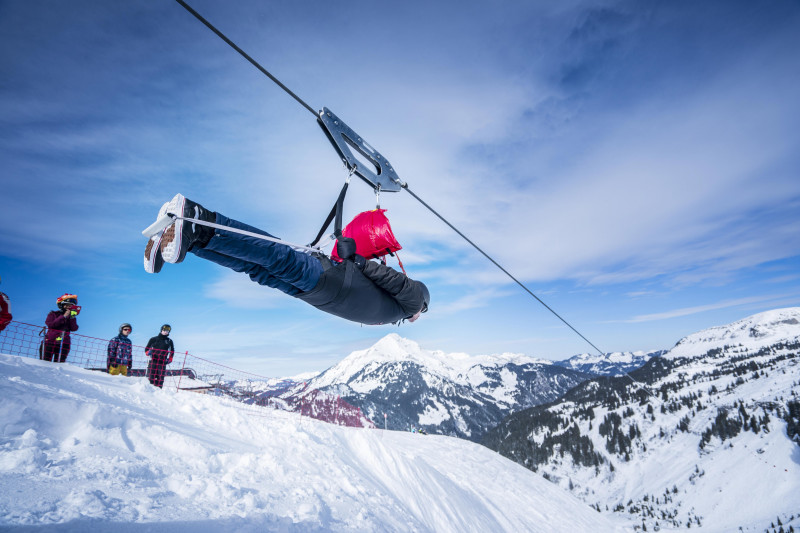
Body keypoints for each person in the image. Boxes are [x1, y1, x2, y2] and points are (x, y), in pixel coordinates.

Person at [145, 194, 429, 325]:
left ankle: (190, 240)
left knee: (255, 267)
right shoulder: (414, 300)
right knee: (273, 254)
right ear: (423, 305)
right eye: (422, 313)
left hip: (312, 293)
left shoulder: (395, 314)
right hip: (330, 280)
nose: (418, 317)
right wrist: (358, 262)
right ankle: (200, 218)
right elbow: (395, 281)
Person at [42, 294, 80, 363]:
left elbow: (74, 328)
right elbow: (51, 325)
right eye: (67, 305)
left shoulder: (71, 317)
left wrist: (72, 317)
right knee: (45, 362)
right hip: (50, 342)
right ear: (61, 305)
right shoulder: (53, 314)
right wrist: (64, 316)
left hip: (64, 343)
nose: (69, 307)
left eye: (71, 306)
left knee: (59, 364)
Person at [146, 324, 175, 388]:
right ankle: (149, 392)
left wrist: (170, 359)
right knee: (151, 377)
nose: (166, 331)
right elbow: (146, 349)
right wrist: (148, 352)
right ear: (161, 330)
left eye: (168, 331)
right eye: (164, 330)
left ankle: (159, 392)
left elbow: (172, 351)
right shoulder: (153, 339)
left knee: (160, 379)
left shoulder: (169, 341)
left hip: (162, 362)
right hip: (153, 360)